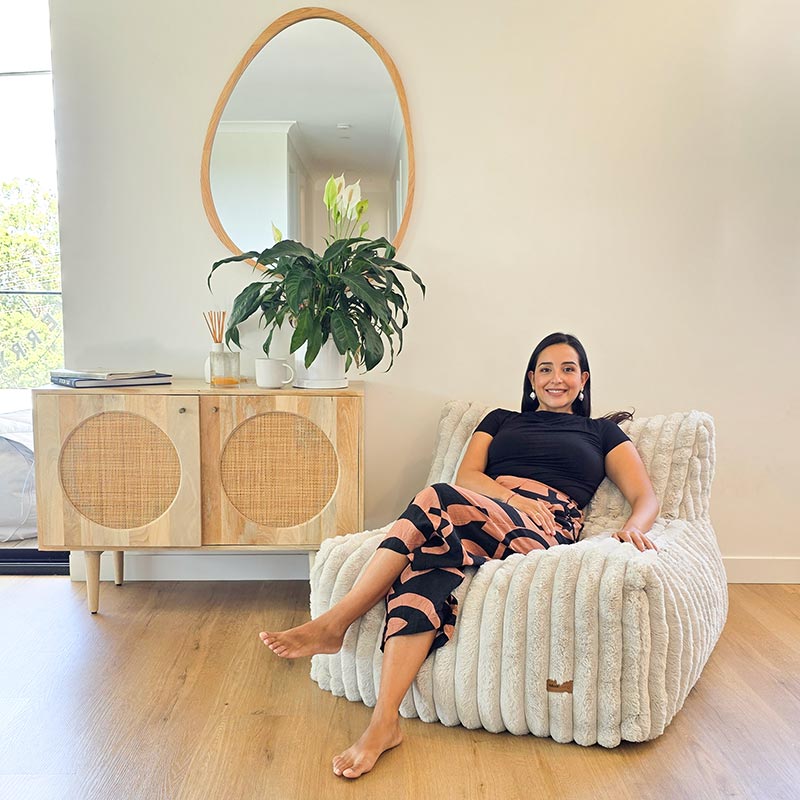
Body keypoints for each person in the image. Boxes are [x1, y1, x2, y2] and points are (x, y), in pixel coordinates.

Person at [260, 332, 659, 779]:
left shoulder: (601, 431)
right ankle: (384, 722)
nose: (556, 378)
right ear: (531, 379)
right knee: (424, 567)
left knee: (435, 497)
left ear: (583, 380)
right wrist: (510, 497)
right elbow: (468, 474)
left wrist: (631, 530)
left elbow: (644, 496)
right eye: (545, 369)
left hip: (545, 524)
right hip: (481, 515)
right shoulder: (501, 419)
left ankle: (335, 623)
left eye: (568, 369)